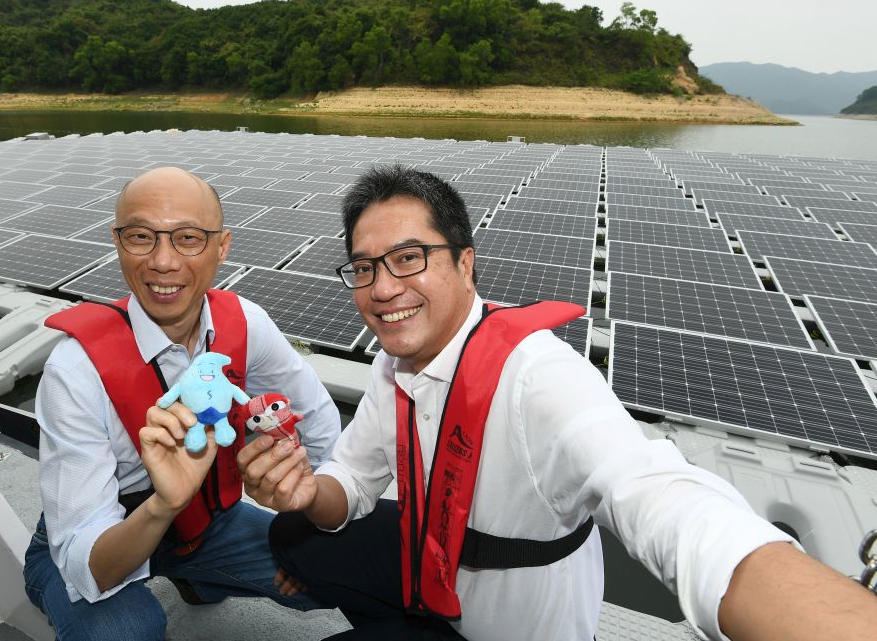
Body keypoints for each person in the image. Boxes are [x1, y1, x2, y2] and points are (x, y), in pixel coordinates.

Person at [239, 164, 877, 641]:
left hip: (506, 624)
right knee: (295, 530)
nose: (383, 288)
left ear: (466, 264)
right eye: (364, 267)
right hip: (427, 565)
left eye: (409, 258)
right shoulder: (391, 366)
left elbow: (659, 493)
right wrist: (303, 493)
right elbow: (349, 480)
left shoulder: (539, 378)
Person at [23, 167, 341, 641]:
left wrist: (308, 512)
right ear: (117, 241)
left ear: (222, 246)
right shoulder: (74, 369)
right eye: (140, 237)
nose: (163, 262)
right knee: (127, 632)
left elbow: (317, 420)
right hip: (109, 530)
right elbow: (89, 561)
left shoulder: (246, 323)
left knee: (333, 573)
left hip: (207, 517)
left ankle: (194, 575)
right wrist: (164, 505)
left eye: (188, 238)